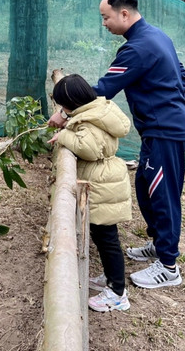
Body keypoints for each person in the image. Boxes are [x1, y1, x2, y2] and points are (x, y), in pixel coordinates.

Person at [92, 0, 185, 290]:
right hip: (161, 128)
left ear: (123, 14)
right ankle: (159, 244)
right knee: (146, 186)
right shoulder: (156, 36)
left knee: (163, 196)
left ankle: (168, 266)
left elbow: (104, 88)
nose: (104, 24)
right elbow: (180, 72)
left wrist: (66, 105)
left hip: (163, 131)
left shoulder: (137, 48)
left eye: (106, 17)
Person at [48, 74, 133, 312]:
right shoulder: (97, 109)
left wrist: (64, 135)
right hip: (104, 180)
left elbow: (89, 148)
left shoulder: (88, 121)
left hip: (102, 184)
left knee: (108, 241)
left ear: (72, 103)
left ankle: (118, 293)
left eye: (64, 105)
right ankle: (110, 279)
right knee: (101, 236)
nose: (63, 110)